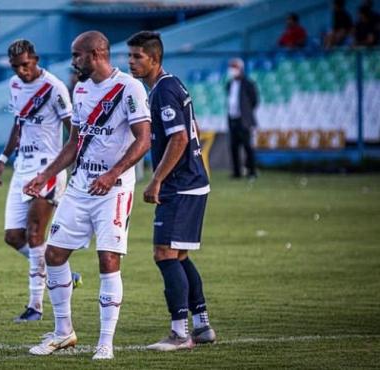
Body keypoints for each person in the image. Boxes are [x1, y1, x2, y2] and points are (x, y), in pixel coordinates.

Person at [24, 30, 151, 360]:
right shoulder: (79, 89)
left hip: (115, 189)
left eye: (77, 55)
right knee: (54, 255)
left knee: (107, 260)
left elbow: (143, 140)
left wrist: (112, 174)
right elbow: (74, 143)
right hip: (81, 186)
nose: (73, 61)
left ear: (96, 54)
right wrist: (44, 175)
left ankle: (105, 343)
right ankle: (63, 332)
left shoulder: (129, 88)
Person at [127, 30, 216, 352]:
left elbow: (179, 139)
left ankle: (180, 333)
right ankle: (202, 324)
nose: (131, 62)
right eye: (130, 56)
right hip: (193, 182)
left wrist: (156, 180)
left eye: (138, 56)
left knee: (164, 254)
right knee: (178, 255)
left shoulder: (163, 91)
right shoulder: (172, 84)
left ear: (155, 58)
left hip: (181, 185)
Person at [0, 39, 82, 323]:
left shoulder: (54, 88)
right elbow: (18, 124)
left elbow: (73, 131)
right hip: (22, 167)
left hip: (48, 167)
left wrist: (73, 166)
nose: (21, 71)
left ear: (36, 59)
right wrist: (3, 159)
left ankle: (35, 307)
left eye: (26, 65)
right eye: (16, 67)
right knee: (12, 236)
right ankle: (62, 272)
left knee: (34, 234)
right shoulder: (15, 86)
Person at [226, 58, 258, 179]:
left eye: (234, 67)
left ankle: (252, 171)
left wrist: (246, 113)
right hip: (232, 118)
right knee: (233, 146)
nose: (232, 70)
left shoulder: (248, 84)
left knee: (247, 146)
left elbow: (254, 101)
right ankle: (237, 172)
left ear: (240, 68)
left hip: (243, 120)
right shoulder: (229, 84)